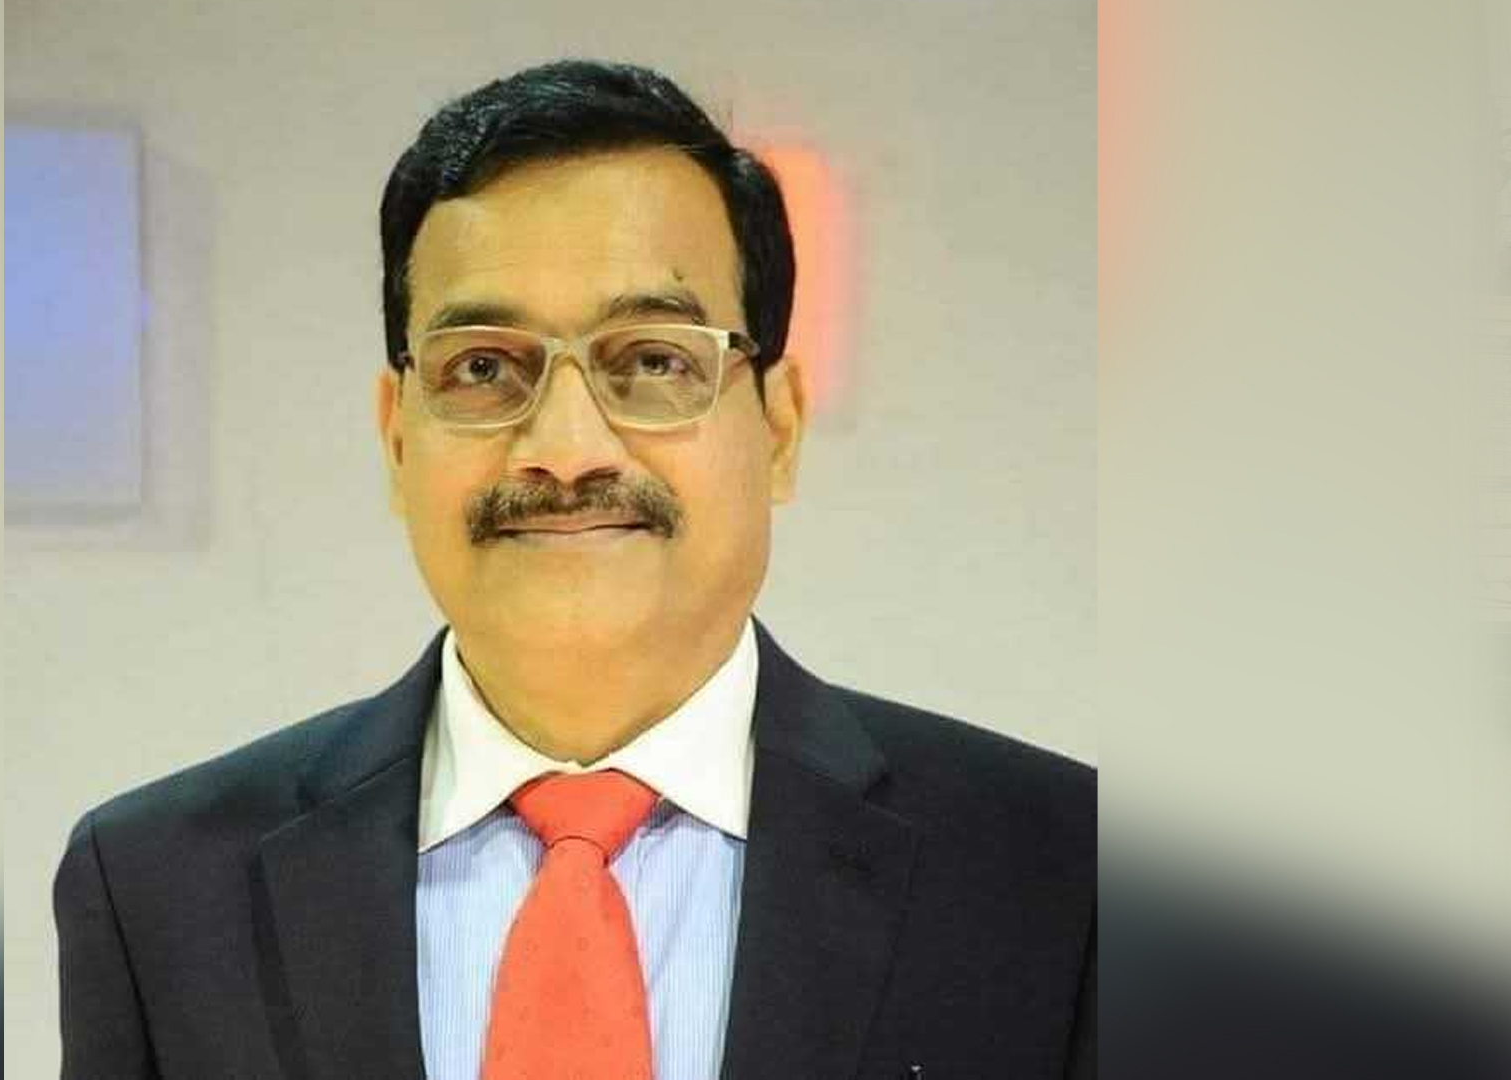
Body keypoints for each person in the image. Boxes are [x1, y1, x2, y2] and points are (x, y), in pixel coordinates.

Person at [55, 59, 1094, 1080]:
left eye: (652, 361)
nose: (564, 448)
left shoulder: (1059, 879)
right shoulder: (160, 891)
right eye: (483, 368)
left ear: (778, 429)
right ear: (398, 437)